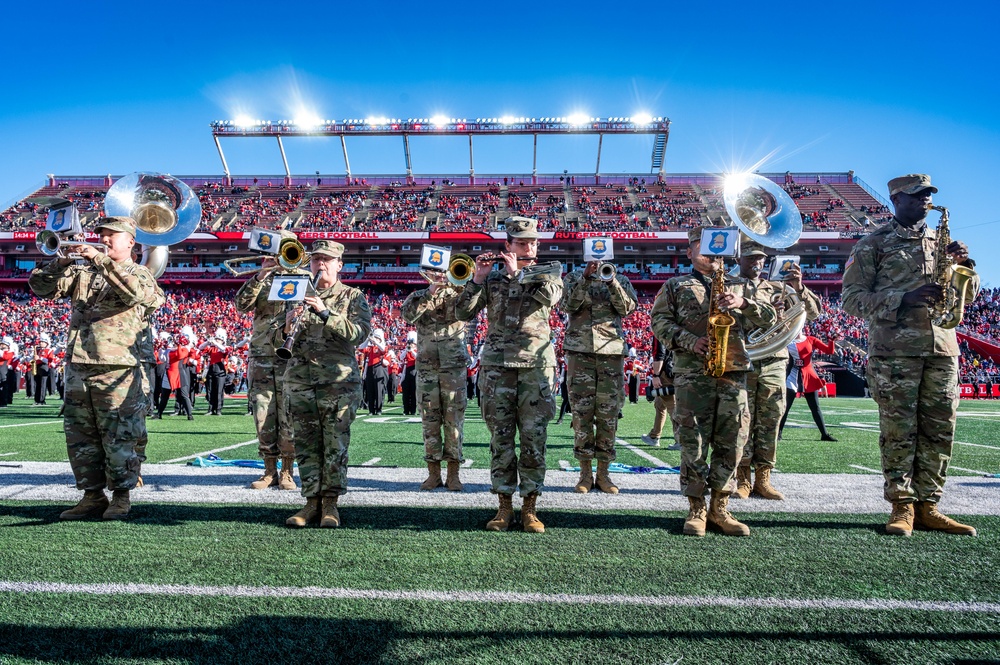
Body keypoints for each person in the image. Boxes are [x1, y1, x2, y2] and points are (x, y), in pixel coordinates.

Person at [842, 173, 980, 537]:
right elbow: (851, 301)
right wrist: (904, 297)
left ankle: (929, 505)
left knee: (940, 430)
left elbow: (966, 295)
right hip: (894, 352)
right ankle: (902, 506)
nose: (924, 201)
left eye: (928, 195)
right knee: (899, 430)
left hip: (942, 350)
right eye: (916, 196)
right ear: (896, 200)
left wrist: (968, 268)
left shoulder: (942, 242)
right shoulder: (873, 244)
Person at [28, 217, 160, 520]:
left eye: (112, 235)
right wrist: (59, 263)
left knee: (120, 435)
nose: (105, 239)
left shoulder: (141, 274)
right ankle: (92, 495)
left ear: (131, 242)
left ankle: (122, 496)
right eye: (102, 234)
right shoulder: (83, 273)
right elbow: (39, 288)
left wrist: (99, 259)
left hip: (118, 368)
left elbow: (135, 294)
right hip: (79, 364)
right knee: (80, 435)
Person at [650, 226, 775, 537]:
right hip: (693, 373)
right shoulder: (675, 285)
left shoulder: (742, 285)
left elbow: (771, 319)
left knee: (733, 439)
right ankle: (696, 507)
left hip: (733, 372)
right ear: (690, 252)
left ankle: (721, 505)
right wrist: (689, 340)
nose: (709, 253)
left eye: (715, 248)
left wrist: (744, 304)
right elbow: (659, 323)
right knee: (693, 440)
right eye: (700, 247)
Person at [456, 216, 562, 533]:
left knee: (533, 441)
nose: (527, 246)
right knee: (500, 441)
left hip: (534, 368)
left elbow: (550, 298)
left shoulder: (550, 273)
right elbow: (463, 312)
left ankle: (530, 507)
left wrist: (519, 274)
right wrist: (477, 278)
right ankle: (503, 506)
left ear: (538, 246)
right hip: (497, 369)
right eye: (520, 243)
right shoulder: (492, 280)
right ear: (508, 245)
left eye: (531, 242)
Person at [279, 240, 372, 528]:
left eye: (327, 259)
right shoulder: (295, 295)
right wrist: (285, 326)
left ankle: (331, 503)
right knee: (306, 444)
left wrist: (325, 313)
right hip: (300, 381)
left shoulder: (353, 296)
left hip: (337, 384)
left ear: (339, 264)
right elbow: (275, 342)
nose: (320, 264)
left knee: (334, 445)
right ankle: (310, 502)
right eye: (316, 259)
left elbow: (360, 334)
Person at [734, 239, 822, 501]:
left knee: (771, 418)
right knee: (743, 419)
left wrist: (799, 287)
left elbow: (814, 313)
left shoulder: (779, 286)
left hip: (774, 358)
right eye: (750, 258)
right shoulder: (730, 285)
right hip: (744, 358)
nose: (757, 263)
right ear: (739, 260)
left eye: (760, 258)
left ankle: (763, 477)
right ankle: (742, 478)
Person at [562, 258, 638, 494]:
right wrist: (585, 278)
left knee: (608, 415)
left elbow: (627, 309)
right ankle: (585, 474)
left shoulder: (621, 279)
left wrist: (611, 280)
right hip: (579, 352)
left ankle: (604, 474)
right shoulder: (574, 278)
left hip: (611, 353)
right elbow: (568, 306)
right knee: (581, 414)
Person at [235, 245, 307, 491]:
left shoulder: (305, 279)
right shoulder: (262, 281)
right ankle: (269, 471)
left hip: (292, 356)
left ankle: (287, 470)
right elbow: (241, 305)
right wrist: (260, 275)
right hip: (263, 355)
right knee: (262, 415)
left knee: (289, 414)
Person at [401, 271, 471, 491]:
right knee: (429, 421)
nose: (439, 276)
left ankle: (453, 473)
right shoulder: (418, 296)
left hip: (453, 368)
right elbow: (407, 316)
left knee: (454, 422)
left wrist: (454, 287)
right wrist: (430, 293)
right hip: (427, 368)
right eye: (435, 272)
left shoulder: (460, 294)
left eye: (443, 272)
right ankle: (433, 473)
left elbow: (469, 311)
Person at [777, 329, 839, 442]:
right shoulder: (786, 341)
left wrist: (831, 340)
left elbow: (829, 351)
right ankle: (778, 434)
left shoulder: (810, 339)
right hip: (792, 375)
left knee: (815, 407)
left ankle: (824, 434)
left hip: (809, 376)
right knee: (785, 407)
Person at [642, 336, 678, 450]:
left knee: (672, 407)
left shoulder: (661, 331)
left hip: (665, 373)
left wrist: (656, 375)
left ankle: (681, 440)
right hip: (673, 369)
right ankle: (654, 436)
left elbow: (660, 354)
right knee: (659, 405)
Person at [359, 329, 389, 415]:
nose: (375, 338)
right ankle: (371, 410)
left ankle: (379, 409)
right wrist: (368, 339)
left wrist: (376, 341)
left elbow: (383, 349)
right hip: (369, 369)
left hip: (378, 368)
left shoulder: (382, 346)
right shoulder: (369, 348)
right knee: (370, 390)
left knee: (378, 389)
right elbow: (361, 348)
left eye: (377, 337)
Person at [199, 328, 229, 415]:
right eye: (216, 338)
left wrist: (215, 343)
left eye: (218, 339)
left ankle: (218, 409)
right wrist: (208, 342)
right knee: (210, 390)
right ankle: (210, 409)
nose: (216, 340)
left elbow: (224, 350)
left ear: (222, 340)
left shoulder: (225, 347)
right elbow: (200, 348)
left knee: (219, 391)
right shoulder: (212, 348)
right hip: (211, 369)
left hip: (220, 370)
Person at [401, 335, 417, 416]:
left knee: (413, 392)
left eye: (412, 344)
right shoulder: (406, 351)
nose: (410, 345)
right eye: (409, 343)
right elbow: (401, 357)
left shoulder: (417, 350)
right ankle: (406, 410)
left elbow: (417, 357)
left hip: (414, 371)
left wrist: (412, 350)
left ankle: (413, 410)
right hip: (406, 371)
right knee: (406, 393)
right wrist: (406, 350)